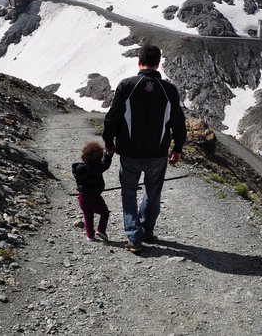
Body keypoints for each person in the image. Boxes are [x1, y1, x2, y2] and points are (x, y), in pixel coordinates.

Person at [103, 44, 186, 253]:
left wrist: (109, 142)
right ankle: (147, 230)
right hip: (157, 154)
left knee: (128, 193)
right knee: (153, 192)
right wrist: (178, 148)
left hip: (129, 152)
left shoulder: (126, 85)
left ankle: (134, 237)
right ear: (158, 64)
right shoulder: (169, 90)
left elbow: (112, 117)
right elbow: (178, 121)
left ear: (139, 62)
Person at [71, 141, 112, 242]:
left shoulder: (78, 168)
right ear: (99, 158)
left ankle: (90, 236)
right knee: (105, 213)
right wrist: (108, 155)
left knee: (88, 216)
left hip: (82, 197)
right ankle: (101, 230)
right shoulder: (97, 168)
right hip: (95, 197)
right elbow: (106, 164)